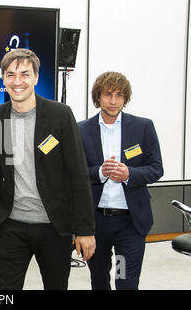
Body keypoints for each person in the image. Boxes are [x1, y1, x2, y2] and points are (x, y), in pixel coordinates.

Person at [0, 48, 96, 290]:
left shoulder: (60, 115)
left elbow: (78, 175)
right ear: (3, 78)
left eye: (25, 74)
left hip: (54, 227)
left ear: (35, 77)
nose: (17, 82)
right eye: (10, 74)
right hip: (11, 225)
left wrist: (85, 230)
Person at [78, 72, 163, 290]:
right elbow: (74, 173)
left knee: (124, 281)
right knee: (98, 280)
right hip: (96, 223)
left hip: (129, 224)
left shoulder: (142, 127)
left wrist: (129, 175)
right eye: (107, 94)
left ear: (126, 98)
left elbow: (156, 169)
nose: (113, 101)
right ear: (98, 97)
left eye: (119, 95)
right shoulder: (81, 130)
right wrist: (99, 172)